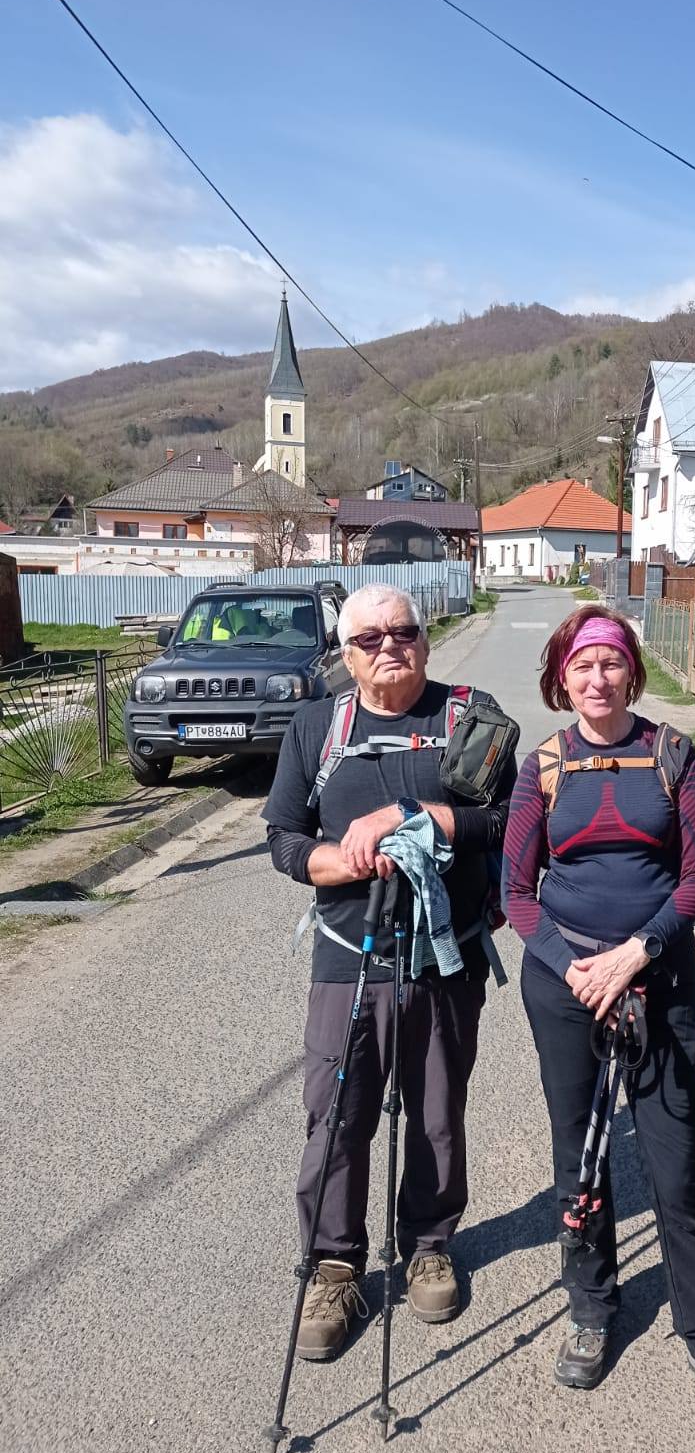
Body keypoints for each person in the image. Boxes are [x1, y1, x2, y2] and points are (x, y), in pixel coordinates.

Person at [502, 604, 695, 1431]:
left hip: (657, 979)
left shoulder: (673, 756)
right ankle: (591, 1308)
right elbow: (515, 893)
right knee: (580, 1157)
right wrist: (575, 967)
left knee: (675, 1163)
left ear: (632, 671)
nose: (598, 678)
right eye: (582, 666)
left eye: (611, 663)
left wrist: (635, 955)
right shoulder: (542, 766)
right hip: (567, 984)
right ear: (562, 678)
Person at [263, 582, 514, 1361]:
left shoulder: (469, 715)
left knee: (437, 1110)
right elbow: (283, 837)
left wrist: (420, 819)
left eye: (402, 632)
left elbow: (507, 822)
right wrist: (341, 861)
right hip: (349, 956)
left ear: (426, 640)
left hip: (446, 956)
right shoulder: (317, 727)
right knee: (336, 1114)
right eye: (369, 639)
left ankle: (429, 1245)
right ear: (347, 654)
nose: (388, 647)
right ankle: (334, 1266)